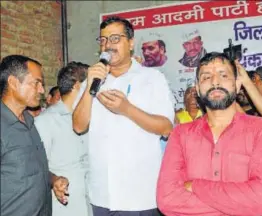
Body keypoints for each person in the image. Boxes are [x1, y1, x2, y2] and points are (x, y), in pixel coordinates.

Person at [73, 16, 174, 216]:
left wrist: (127, 109)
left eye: (115, 39)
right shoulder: (93, 80)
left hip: (139, 196)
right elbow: (78, 126)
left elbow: (166, 128)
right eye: (103, 40)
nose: (108, 45)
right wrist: (89, 87)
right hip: (102, 195)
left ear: (131, 42)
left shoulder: (152, 79)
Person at [157, 52, 262, 215]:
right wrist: (240, 206)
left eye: (223, 75)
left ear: (238, 84)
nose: (215, 81)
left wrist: (195, 186)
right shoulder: (180, 134)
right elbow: (167, 199)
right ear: (197, 88)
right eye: (205, 77)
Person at [0, 55, 69, 216]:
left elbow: (33, 170)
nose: (42, 90)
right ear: (13, 82)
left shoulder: (30, 122)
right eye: (36, 83)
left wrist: (53, 180)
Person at [35, 61, 91, 216]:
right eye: (91, 84)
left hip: (91, 203)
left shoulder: (91, 116)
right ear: (78, 86)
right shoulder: (46, 121)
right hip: (64, 208)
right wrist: (55, 182)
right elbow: (37, 168)